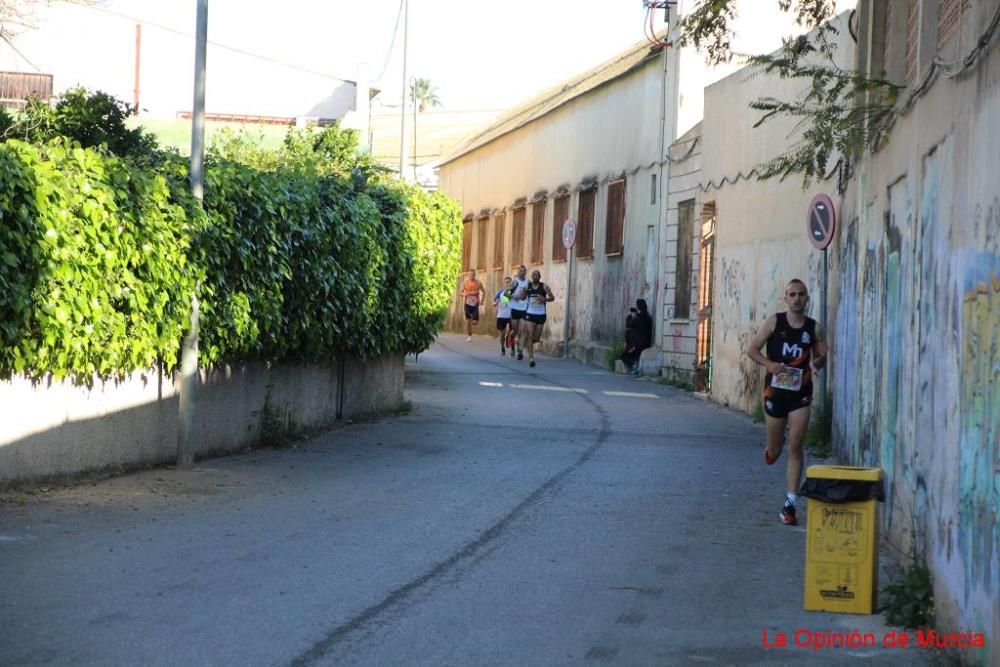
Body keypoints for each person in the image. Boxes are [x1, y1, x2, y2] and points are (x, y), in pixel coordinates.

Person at [746, 279, 828, 525]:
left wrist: (821, 359)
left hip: (800, 393)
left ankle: (790, 504)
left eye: (801, 294)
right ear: (786, 298)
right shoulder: (775, 322)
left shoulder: (815, 328)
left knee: (796, 444)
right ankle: (772, 448)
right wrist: (769, 364)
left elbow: (820, 358)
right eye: (792, 294)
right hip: (775, 392)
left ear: (807, 299)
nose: (797, 299)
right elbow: (752, 349)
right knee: (776, 450)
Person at [522, 270, 555, 368]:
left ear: (540, 277)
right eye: (534, 275)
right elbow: (523, 298)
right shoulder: (528, 286)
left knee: (536, 338)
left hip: (541, 314)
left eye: (537, 275)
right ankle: (531, 358)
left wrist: (544, 299)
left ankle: (527, 344)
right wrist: (522, 292)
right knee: (531, 335)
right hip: (530, 314)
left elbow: (552, 297)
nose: (535, 276)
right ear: (532, 277)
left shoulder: (544, 286)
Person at [620, 299, 653, 374]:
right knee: (633, 352)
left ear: (638, 307)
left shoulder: (638, 318)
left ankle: (634, 366)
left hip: (638, 345)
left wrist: (630, 315)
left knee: (624, 355)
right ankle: (636, 364)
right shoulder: (648, 317)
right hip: (646, 343)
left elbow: (629, 324)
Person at [506, 265, 530, 360]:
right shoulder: (514, 282)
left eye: (524, 271)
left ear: (526, 272)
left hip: (523, 309)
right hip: (514, 309)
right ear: (518, 272)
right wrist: (514, 297)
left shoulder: (528, 282)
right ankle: (511, 336)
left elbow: (531, 291)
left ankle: (520, 352)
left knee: (522, 331)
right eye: (520, 271)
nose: (522, 272)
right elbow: (505, 294)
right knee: (516, 331)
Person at [461, 270, 485, 341]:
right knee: (468, 322)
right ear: (468, 275)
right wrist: (464, 294)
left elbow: (484, 292)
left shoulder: (478, 283)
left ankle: (473, 319)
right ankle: (469, 336)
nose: (471, 275)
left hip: (475, 304)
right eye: (470, 274)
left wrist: (482, 300)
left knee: (475, 322)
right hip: (467, 304)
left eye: (473, 274)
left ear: (475, 275)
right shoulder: (465, 283)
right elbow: (460, 293)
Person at [494, 277, 513, 356]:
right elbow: (495, 301)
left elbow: (506, 301)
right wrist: (495, 302)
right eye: (506, 282)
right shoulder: (500, 293)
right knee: (502, 333)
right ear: (504, 284)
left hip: (511, 315)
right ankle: (502, 348)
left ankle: (511, 345)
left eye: (509, 282)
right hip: (501, 315)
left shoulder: (513, 293)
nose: (507, 284)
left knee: (512, 332)